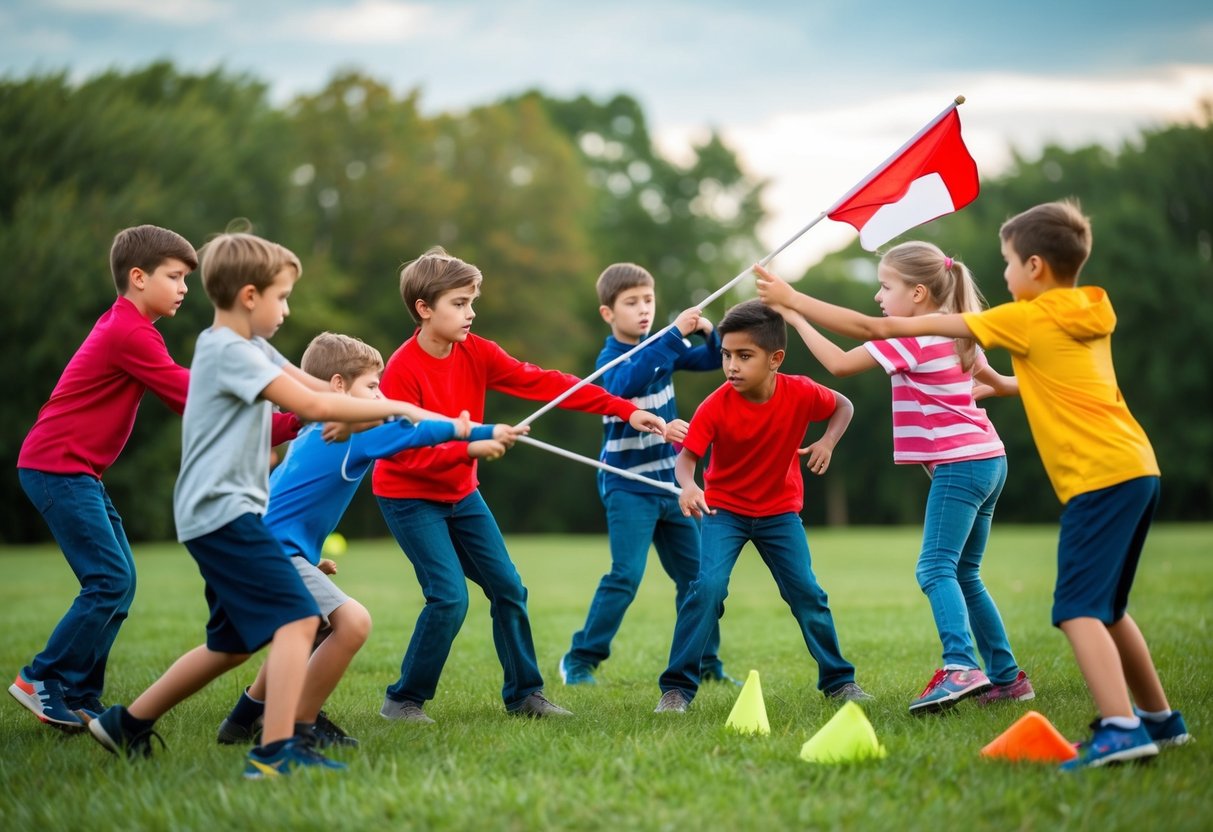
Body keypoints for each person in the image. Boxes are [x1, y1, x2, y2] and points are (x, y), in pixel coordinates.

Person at [755, 199, 1191, 769]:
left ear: (1034, 266)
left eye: (1009, 262)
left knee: (955, 573)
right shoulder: (1085, 310)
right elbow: (1010, 381)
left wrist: (794, 305)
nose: (1003, 275)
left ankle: (979, 672)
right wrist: (976, 395)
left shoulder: (1005, 320)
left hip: (1051, 471)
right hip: (1098, 465)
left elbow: (856, 347)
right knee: (988, 576)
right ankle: (1030, 683)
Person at [87, 233, 435, 779]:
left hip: (224, 514)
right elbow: (317, 402)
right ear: (250, 295)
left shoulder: (250, 348)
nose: (287, 308)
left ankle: (126, 723)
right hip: (222, 513)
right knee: (300, 617)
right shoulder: (230, 352)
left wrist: (366, 409)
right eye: (283, 296)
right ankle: (276, 751)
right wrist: (402, 409)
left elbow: (318, 385)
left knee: (229, 646)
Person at [9, 225, 302, 732]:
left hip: (72, 469)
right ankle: (43, 678)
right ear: (138, 278)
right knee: (109, 579)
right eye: (175, 276)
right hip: (57, 465)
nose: (186, 286)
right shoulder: (129, 331)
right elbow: (196, 398)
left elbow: (196, 407)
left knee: (119, 582)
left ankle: (78, 694)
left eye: (188, 276)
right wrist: (296, 409)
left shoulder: (135, 330)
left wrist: (291, 419)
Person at [373, 247, 666, 723]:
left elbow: (546, 383)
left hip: (461, 494)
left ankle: (525, 696)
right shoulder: (402, 370)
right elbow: (404, 451)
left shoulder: (477, 350)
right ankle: (403, 700)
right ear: (424, 309)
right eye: (459, 303)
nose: (471, 313)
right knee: (449, 597)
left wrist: (623, 408)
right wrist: (472, 445)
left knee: (509, 587)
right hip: (409, 496)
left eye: (472, 302)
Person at [214, 331, 524, 749]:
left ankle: (244, 719)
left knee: (316, 629)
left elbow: (286, 501)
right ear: (339, 386)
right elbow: (414, 433)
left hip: (267, 549)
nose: (381, 396)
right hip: (269, 552)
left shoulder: (319, 426)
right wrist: (478, 433)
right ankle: (300, 727)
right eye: (373, 386)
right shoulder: (353, 430)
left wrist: (304, 563)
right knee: (351, 624)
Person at [771, 241, 1032, 715]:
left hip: (961, 465)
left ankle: (960, 667)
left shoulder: (912, 337)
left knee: (935, 569)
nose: (877, 297)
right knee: (965, 573)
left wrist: (797, 314)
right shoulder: (956, 335)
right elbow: (999, 383)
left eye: (884, 286)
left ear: (916, 294)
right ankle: (1007, 678)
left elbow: (840, 364)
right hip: (990, 461)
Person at [654, 299, 870, 713]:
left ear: (775, 359)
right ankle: (676, 689)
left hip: (779, 514)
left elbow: (844, 405)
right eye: (726, 355)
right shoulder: (715, 405)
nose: (732, 365)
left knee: (807, 593)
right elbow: (686, 460)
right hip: (724, 513)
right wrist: (688, 487)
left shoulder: (802, 392)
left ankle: (840, 682)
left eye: (744, 356)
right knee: (708, 591)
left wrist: (827, 441)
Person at [560, 263, 734, 687]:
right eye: (631, 302)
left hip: (673, 485)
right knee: (625, 576)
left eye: (649, 301)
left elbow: (712, 359)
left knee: (699, 580)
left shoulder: (663, 347)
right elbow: (626, 382)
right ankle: (580, 660)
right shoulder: (610, 359)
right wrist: (674, 334)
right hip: (627, 487)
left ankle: (705, 664)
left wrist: (709, 332)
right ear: (608, 313)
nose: (643, 310)